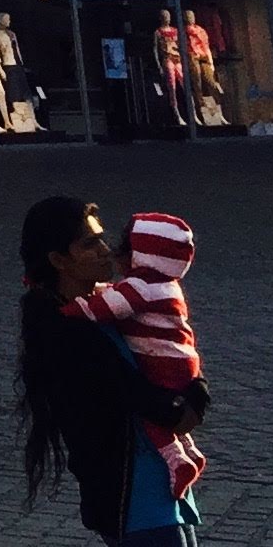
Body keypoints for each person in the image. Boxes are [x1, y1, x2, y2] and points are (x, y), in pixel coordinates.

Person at [16, 194, 209, 547]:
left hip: (161, 483)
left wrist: (192, 389)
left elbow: (173, 345)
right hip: (131, 496)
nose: (106, 250)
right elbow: (133, 393)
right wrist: (185, 403)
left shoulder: (110, 305)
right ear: (58, 260)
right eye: (89, 244)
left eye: (102, 238)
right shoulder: (65, 328)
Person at [62, 213, 208, 503]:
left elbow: (109, 306)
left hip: (163, 366)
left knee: (156, 420)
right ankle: (189, 451)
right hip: (182, 361)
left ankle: (178, 460)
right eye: (92, 243)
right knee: (171, 409)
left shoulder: (139, 288)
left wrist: (75, 309)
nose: (108, 251)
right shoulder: (164, 285)